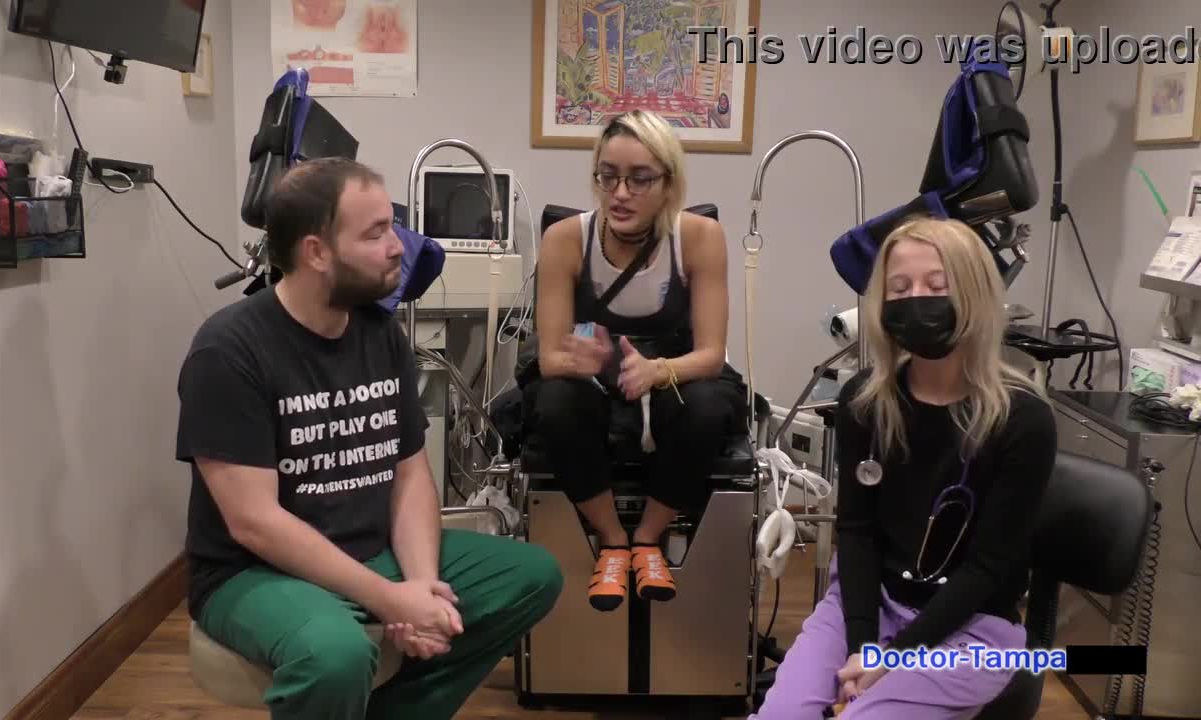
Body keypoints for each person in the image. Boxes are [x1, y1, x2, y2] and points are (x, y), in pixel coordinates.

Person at [175, 157, 563, 720]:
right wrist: (390, 600)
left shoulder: (379, 333)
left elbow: (411, 475)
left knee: (532, 577)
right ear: (316, 252)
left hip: (370, 548)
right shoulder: (228, 351)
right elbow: (254, 522)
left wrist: (421, 586)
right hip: (253, 572)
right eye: (376, 232)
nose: (399, 246)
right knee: (335, 655)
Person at [752, 216, 1058, 719]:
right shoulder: (865, 402)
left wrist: (893, 658)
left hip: (973, 626)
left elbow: (987, 569)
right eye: (900, 288)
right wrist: (863, 644)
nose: (917, 300)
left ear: (976, 295)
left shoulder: (1022, 419)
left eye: (938, 286)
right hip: (873, 603)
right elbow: (857, 532)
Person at [524, 109, 746, 612]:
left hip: (674, 376)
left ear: (669, 183)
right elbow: (552, 356)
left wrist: (656, 371)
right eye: (608, 176)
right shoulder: (565, 240)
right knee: (554, 403)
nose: (620, 193)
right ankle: (612, 541)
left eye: (640, 179)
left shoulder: (699, 237)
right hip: (593, 385)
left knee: (707, 407)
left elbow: (711, 356)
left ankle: (647, 539)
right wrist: (599, 365)